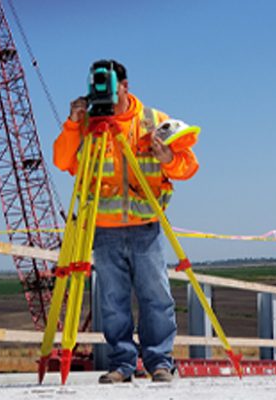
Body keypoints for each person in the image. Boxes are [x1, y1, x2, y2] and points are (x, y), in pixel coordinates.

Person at [53, 60, 199, 383]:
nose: (102, 92)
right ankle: (122, 364)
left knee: (156, 297)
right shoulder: (87, 124)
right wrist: (73, 124)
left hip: (145, 226)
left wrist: (169, 159)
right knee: (112, 302)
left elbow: (189, 166)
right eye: (97, 85)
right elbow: (62, 160)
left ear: (125, 86)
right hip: (103, 230)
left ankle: (159, 362)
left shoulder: (152, 121)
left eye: (109, 85)